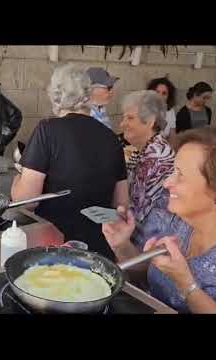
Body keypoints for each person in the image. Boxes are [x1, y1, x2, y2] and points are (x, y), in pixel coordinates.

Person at [102, 128, 216, 313]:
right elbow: (152, 272)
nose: (166, 183)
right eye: (173, 171)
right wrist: (121, 244)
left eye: (181, 175)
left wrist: (186, 284)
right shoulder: (178, 217)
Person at [11, 63, 129, 259]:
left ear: (55, 96)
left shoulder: (48, 130)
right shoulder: (111, 137)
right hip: (100, 250)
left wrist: (17, 180)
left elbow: (26, 202)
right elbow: (121, 204)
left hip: (55, 247)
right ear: (87, 95)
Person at [120, 90, 175, 241]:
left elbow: (137, 210)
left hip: (150, 240)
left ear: (150, 121)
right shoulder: (148, 149)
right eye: (123, 117)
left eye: (130, 118)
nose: (122, 124)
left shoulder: (156, 155)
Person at [146, 76, 177, 142]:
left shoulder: (170, 111)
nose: (160, 96)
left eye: (164, 93)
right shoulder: (144, 110)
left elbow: (172, 135)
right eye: (157, 92)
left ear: (169, 96)